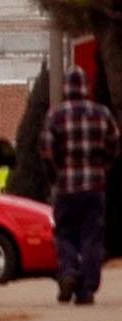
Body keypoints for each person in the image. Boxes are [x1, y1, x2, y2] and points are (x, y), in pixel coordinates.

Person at [39, 67, 121, 304]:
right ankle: (86, 289)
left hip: (66, 186)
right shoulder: (102, 113)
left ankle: (68, 272)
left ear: (66, 88)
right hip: (94, 187)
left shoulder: (56, 115)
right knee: (92, 237)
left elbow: (46, 150)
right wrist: (102, 165)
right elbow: (115, 145)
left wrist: (56, 174)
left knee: (64, 233)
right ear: (86, 86)